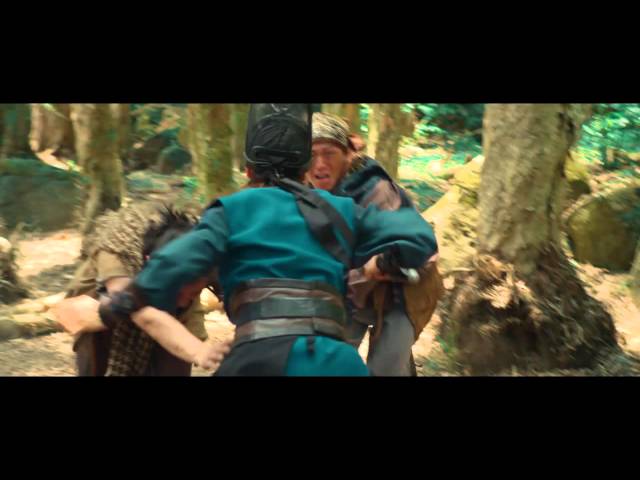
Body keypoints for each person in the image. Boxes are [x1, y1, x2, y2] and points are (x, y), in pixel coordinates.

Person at [99, 104, 438, 376]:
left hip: (257, 359)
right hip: (335, 361)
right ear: (304, 169)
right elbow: (418, 235)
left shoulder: (231, 210)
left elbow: (176, 261)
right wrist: (391, 261)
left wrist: (123, 302)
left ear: (249, 171)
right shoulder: (342, 210)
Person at [308, 112, 444, 376]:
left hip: (403, 291)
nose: (320, 164)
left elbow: (418, 242)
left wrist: (382, 262)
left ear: (348, 155)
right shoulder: (307, 192)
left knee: (385, 369)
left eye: (329, 153)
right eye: (312, 155)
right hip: (352, 291)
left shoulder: (376, 191)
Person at [58, 204, 222, 376]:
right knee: (110, 307)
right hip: (109, 313)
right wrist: (198, 351)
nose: (182, 302)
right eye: (178, 293)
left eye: (194, 294)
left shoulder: (205, 255)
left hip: (161, 309)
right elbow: (135, 309)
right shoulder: (118, 245)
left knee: (178, 355)